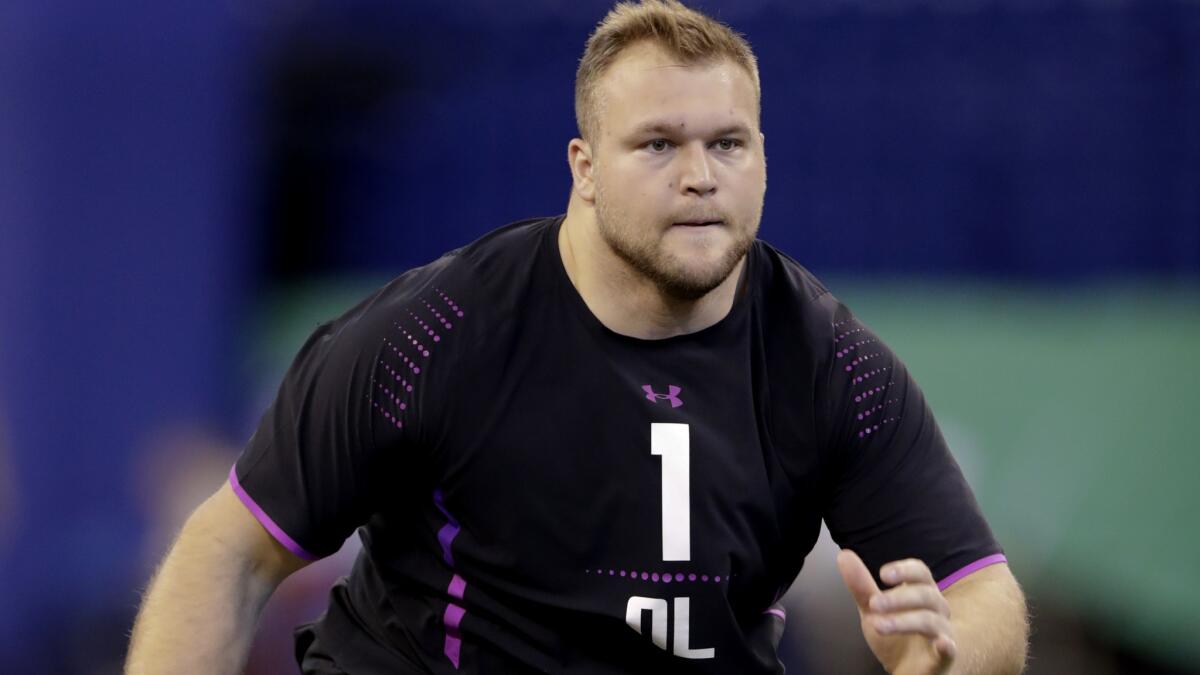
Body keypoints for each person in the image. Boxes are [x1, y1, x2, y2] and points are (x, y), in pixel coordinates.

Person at [126, 1, 1028, 673]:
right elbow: (232, 550)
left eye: (728, 144)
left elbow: (982, 592)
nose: (700, 178)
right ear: (585, 169)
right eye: (658, 146)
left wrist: (940, 660)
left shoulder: (827, 359)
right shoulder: (434, 333)